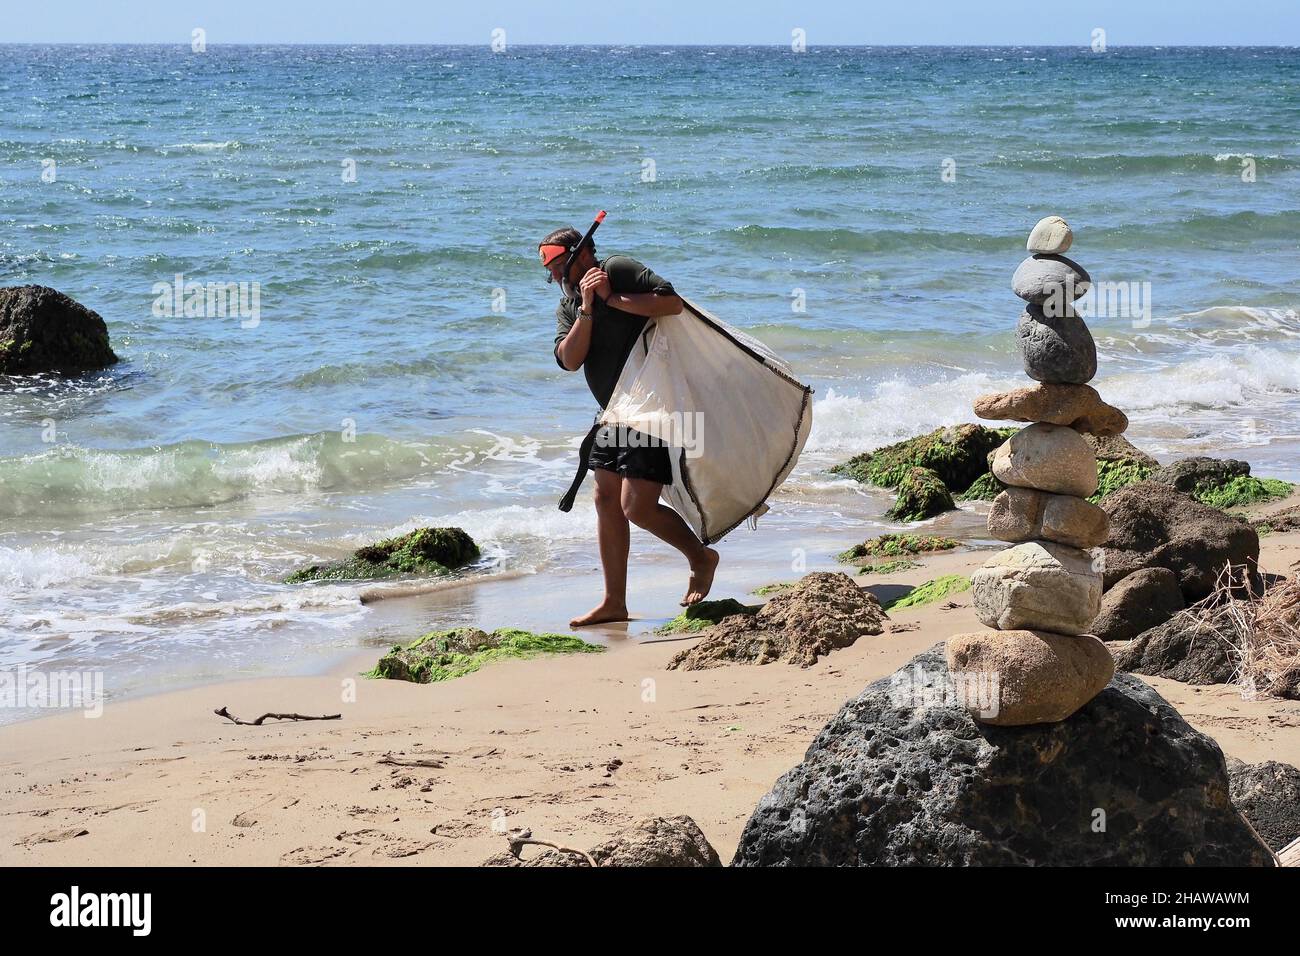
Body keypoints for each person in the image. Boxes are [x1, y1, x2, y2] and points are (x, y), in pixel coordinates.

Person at [541, 226, 720, 627]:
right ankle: (613, 603)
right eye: (550, 272)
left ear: (581, 254)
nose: (555, 278)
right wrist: (588, 307)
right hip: (614, 411)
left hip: (652, 404)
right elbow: (570, 360)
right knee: (605, 500)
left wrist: (610, 297)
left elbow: (671, 304)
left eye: (557, 268)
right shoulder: (570, 306)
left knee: (635, 507)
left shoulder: (619, 270)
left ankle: (700, 556)